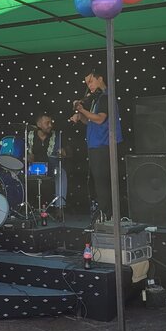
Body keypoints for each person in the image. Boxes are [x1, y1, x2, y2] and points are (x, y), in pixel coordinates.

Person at [69, 69, 121, 221]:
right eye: (86, 83)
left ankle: (107, 214)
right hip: (96, 144)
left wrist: (82, 110)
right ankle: (104, 213)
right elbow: (91, 121)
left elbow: (100, 119)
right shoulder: (96, 99)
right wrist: (80, 116)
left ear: (100, 79)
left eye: (91, 81)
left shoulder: (105, 97)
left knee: (103, 182)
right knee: (99, 182)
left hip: (104, 145)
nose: (89, 85)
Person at [30, 113, 66, 220]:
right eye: (47, 123)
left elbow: (66, 151)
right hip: (33, 168)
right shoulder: (29, 135)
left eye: (51, 123)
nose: (50, 125)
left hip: (50, 167)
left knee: (61, 173)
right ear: (39, 124)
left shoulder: (56, 135)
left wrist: (63, 152)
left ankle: (60, 208)